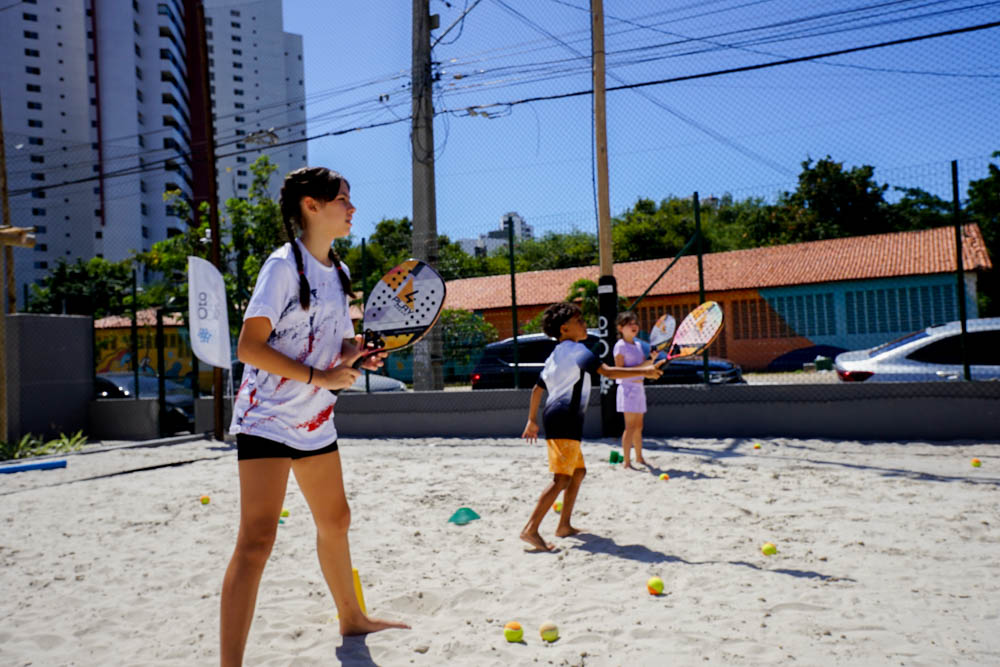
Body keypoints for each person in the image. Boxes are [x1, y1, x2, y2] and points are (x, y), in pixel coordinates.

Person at [221, 167, 408, 666]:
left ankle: (352, 618)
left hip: (314, 418)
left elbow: (330, 342)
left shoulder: (339, 273)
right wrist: (320, 378)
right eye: (343, 200)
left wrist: (354, 356)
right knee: (258, 540)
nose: (352, 209)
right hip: (267, 418)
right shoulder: (282, 266)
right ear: (311, 205)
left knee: (337, 519)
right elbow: (249, 347)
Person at [519, 302, 664, 552]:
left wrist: (532, 420)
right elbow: (607, 372)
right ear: (565, 329)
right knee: (561, 478)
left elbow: (536, 389)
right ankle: (530, 530)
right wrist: (646, 371)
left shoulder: (554, 355)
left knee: (577, 473)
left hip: (559, 418)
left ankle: (564, 525)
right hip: (564, 419)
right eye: (580, 320)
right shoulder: (577, 351)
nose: (585, 324)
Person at [613, 310, 653, 469]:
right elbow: (619, 370)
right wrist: (646, 366)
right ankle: (626, 462)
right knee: (629, 427)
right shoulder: (620, 346)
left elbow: (645, 366)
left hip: (638, 388)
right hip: (627, 389)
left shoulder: (638, 345)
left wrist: (653, 361)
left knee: (639, 426)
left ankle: (639, 457)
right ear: (620, 328)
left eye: (635, 323)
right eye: (629, 324)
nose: (634, 326)